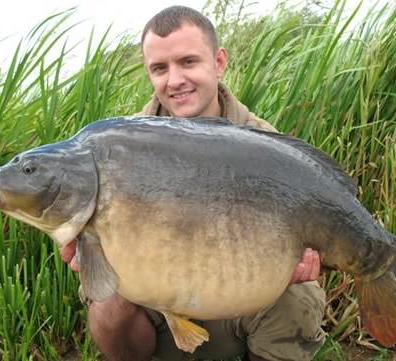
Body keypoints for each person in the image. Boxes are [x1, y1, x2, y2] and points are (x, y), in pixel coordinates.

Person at [60, 6, 326, 361]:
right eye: (159, 68)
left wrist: (299, 260)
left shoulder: (263, 144)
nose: (174, 80)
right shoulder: (120, 149)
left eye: (188, 62)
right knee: (107, 301)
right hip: (161, 313)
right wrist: (90, 250)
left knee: (299, 294)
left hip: (241, 303)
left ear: (218, 62)